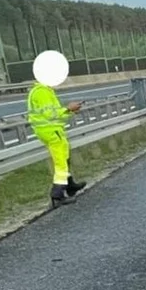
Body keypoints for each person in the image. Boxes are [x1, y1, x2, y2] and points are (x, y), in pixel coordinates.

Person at [28, 50, 87, 208]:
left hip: (50, 130)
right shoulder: (42, 92)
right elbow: (51, 114)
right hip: (51, 131)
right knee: (61, 162)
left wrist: (69, 111)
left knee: (65, 154)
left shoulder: (41, 90)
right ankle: (57, 195)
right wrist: (68, 109)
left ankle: (70, 185)